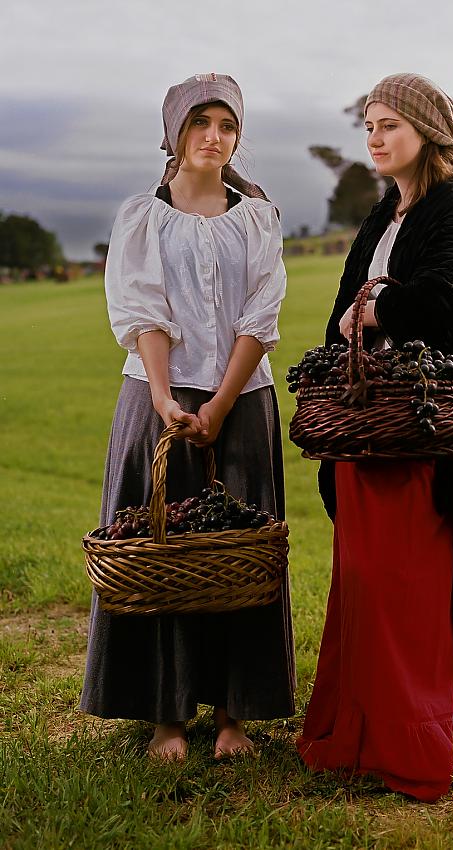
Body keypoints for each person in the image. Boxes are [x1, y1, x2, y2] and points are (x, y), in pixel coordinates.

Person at [296, 73, 453, 801]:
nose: (375, 137)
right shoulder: (386, 211)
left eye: (389, 123)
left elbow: (450, 306)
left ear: (426, 132)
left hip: (420, 431)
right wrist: (356, 319)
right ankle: (358, 730)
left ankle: (412, 730)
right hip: (367, 426)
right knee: (363, 581)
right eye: (368, 125)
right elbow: (338, 316)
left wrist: (378, 307)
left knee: (409, 585)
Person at [80, 73, 295, 761]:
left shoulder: (259, 216)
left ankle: (235, 714)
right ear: (174, 133)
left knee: (239, 558)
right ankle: (166, 716)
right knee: (164, 553)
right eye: (200, 122)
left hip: (244, 398)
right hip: (156, 398)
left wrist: (223, 403)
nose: (215, 136)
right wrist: (167, 399)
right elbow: (143, 310)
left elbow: (261, 317)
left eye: (227, 125)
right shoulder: (141, 215)